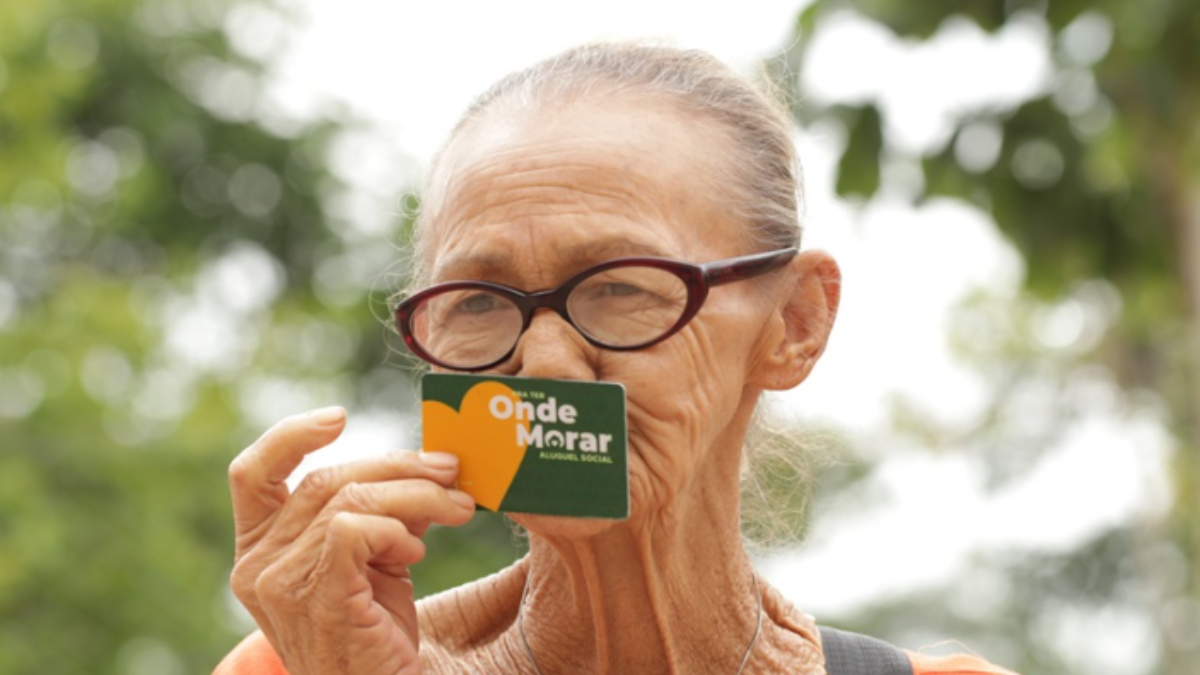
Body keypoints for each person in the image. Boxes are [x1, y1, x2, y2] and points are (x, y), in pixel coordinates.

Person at [214, 43, 1018, 675]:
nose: (547, 365)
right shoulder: (311, 665)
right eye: (480, 302)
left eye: (622, 288)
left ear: (794, 323)